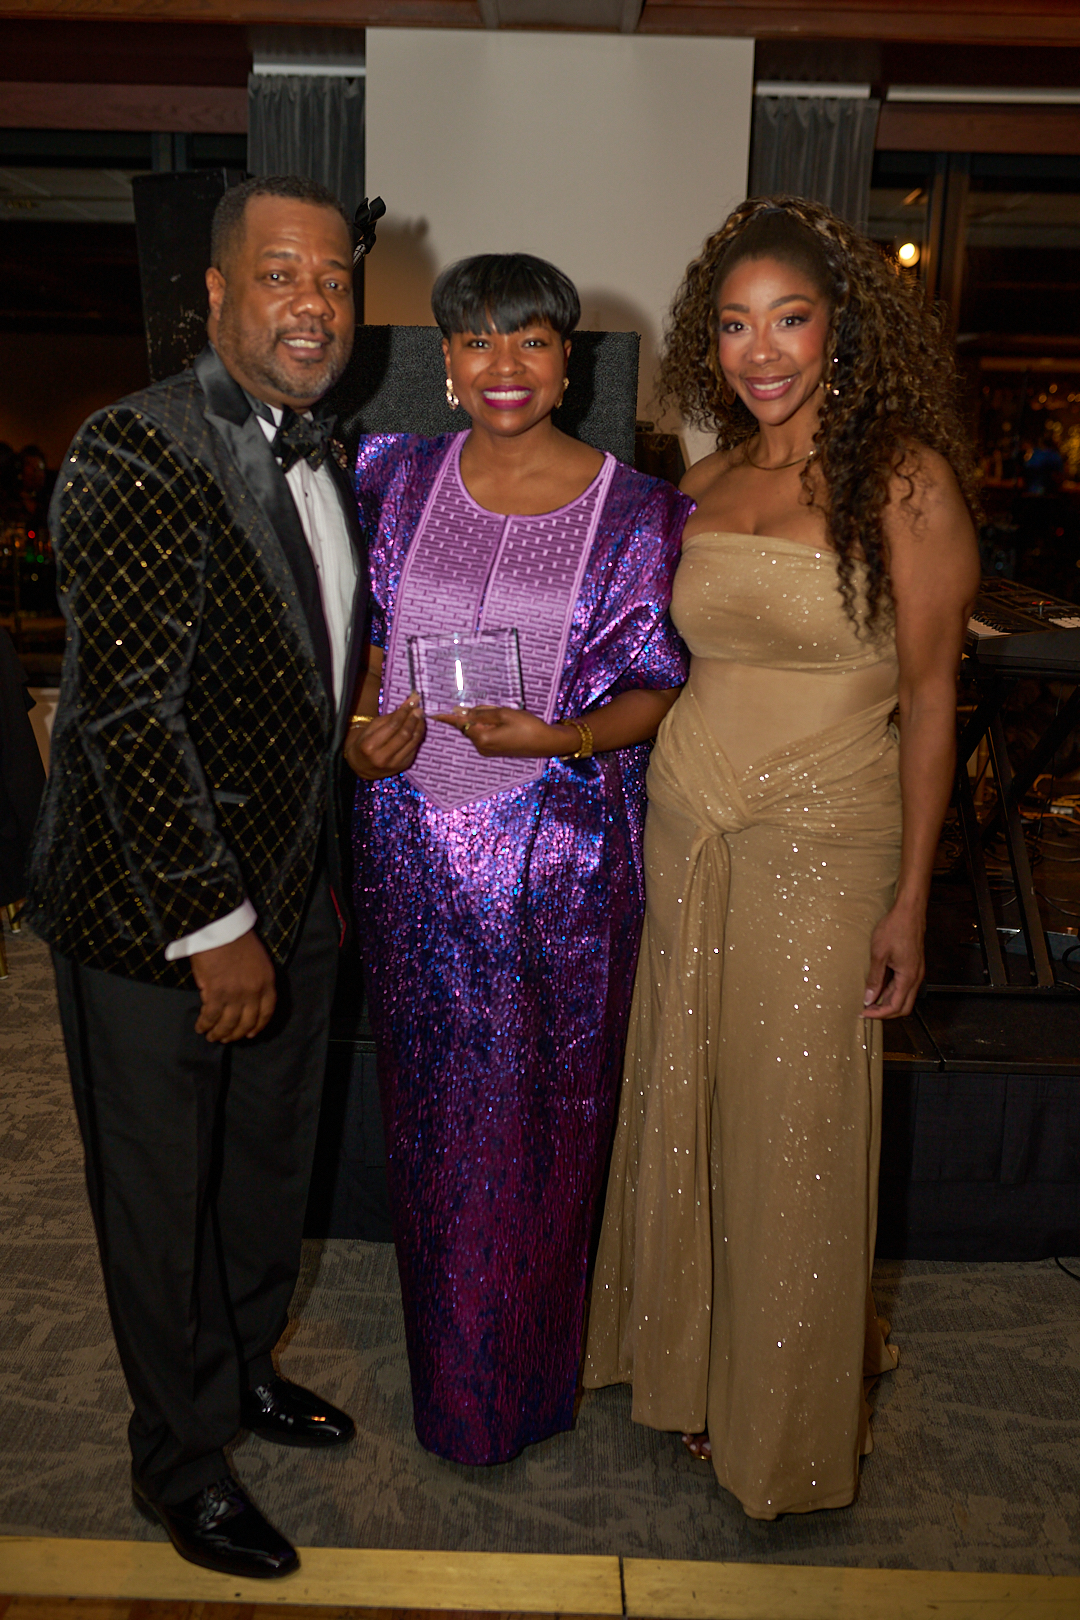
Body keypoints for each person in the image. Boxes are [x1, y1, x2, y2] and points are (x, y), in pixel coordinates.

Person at [584, 196, 981, 1519]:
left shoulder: (907, 485)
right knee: (690, 1087)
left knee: (794, 1119)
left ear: (839, 330)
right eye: (736, 324)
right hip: (689, 819)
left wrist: (912, 897)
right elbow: (654, 660)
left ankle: (781, 1412)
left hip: (826, 837)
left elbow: (932, 698)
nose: (761, 351)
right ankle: (690, 1363)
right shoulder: (701, 484)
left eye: (790, 320)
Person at [25, 175, 368, 1578]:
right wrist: (215, 925)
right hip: (158, 916)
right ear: (218, 293)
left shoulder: (328, 447)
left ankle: (237, 1374)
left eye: (335, 278)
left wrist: (356, 726)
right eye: (282, 275)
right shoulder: (138, 445)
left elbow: (280, 668)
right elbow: (126, 716)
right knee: (163, 1199)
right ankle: (177, 1460)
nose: (314, 303)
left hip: (294, 890)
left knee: (265, 1170)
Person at [345, 253, 692, 1466]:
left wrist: (560, 738)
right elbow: (363, 647)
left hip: (559, 865)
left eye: (532, 340)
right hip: (408, 851)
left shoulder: (637, 509)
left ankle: (525, 1385)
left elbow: (655, 685)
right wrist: (358, 734)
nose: (505, 364)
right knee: (431, 1124)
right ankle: (450, 1381)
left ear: (567, 363)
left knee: (542, 1125)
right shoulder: (391, 476)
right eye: (479, 340)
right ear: (445, 363)